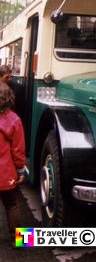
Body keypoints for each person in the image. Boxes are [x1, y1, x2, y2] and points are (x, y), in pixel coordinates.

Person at [0, 82, 26, 246]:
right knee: (12, 204)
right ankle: (18, 240)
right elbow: (17, 150)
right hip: (5, 173)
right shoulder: (14, 120)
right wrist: (21, 169)